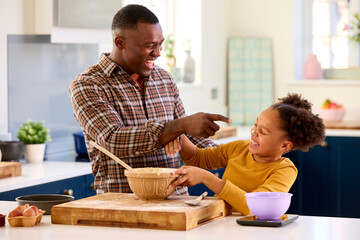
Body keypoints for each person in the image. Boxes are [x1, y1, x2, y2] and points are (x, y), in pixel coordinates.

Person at [69, 4, 230, 194]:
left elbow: (190, 139)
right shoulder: (88, 85)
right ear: (120, 42)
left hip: (176, 202)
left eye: (160, 44)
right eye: (149, 46)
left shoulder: (164, 79)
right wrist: (176, 127)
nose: (158, 52)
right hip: (122, 207)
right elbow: (114, 139)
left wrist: (240, 155)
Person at [166, 93, 325, 215]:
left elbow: (253, 206)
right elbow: (197, 159)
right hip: (219, 223)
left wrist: (206, 177)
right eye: (256, 124)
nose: (254, 132)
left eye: (263, 132)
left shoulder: (284, 170)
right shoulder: (240, 148)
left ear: (285, 145)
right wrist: (179, 133)